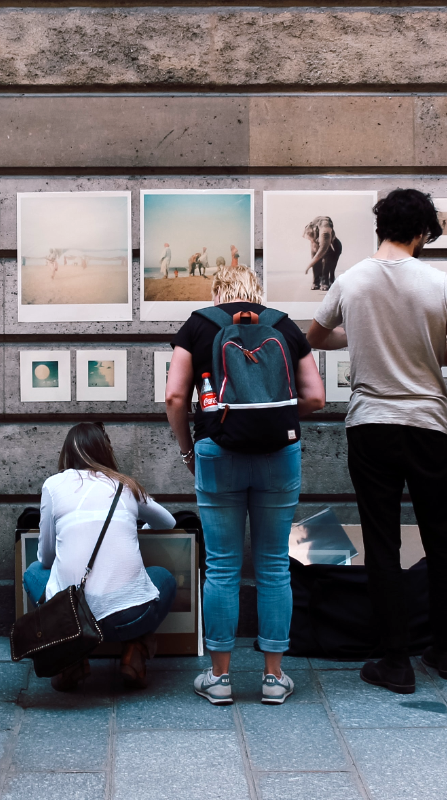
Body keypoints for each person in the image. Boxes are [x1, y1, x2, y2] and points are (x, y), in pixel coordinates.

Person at [306, 188, 447, 695]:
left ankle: (394, 660)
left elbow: (314, 337)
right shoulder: (439, 282)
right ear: (423, 233)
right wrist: (426, 349)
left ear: (380, 226)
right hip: (427, 424)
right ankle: (445, 651)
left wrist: (358, 338)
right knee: (443, 537)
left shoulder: (351, 279)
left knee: (381, 541)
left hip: (371, 423)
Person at [166, 263, 325, 705]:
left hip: (217, 452)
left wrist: (188, 449)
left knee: (222, 566)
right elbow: (315, 396)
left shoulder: (199, 325)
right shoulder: (282, 325)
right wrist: (275, 420)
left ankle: (219, 679)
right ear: (257, 291)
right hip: (279, 454)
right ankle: (274, 679)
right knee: (273, 565)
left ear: (217, 291)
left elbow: (176, 396)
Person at [23, 423, 178, 691]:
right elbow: (169, 521)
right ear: (106, 450)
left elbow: (46, 559)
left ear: (66, 453)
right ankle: (135, 648)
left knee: (33, 572)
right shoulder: (125, 485)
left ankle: (72, 659)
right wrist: (140, 528)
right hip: (127, 620)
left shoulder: (53, 485)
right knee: (163, 578)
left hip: (72, 620)